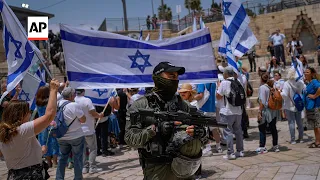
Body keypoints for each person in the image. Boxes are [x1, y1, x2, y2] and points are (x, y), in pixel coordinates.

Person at [125, 62, 207, 180]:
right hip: (157, 170)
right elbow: (129, 138)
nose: (175, 80)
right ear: (158, 78)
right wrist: (155, 130)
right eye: (171, 76)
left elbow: (203, 134)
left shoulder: (184, 105)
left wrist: (201, 133)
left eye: (177, 77)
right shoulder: (141, 105)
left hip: (185, 168)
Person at [0, 79, 59, 179]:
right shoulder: (21, 130)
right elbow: (49, 116)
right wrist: (53, 90)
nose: (30, 114)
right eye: (28, 112)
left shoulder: (5, 132)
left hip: (14, 175)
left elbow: (20, 154)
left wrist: (39, 151)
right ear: (21, 115)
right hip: (30, 175)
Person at [56, 87, 86, 180]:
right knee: (77, 158)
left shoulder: (57, 104)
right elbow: (83, 120)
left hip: (61, 136)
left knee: (62, 158)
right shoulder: (74, 105)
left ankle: (59, 178)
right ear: (71, 95)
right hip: (76, 136)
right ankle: (77, 178)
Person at [216, 66, 244, 160]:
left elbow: (218, 96)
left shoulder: (224, 83)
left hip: (227, 111)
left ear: (226, 74)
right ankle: (240, 151)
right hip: (238, 111)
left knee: (228, 132)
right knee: (238, 131)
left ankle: (230, 153)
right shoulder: (238, 82)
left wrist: (219, 86)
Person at [74, 89, 104, 174]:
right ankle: (92, 167)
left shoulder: (73, 100)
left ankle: (84, 167)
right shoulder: (87, 100)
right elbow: (92, 112)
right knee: (93, 148)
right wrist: (99, 115)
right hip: (88, 129)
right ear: (83, 91)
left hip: (78, 130)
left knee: (83, 150)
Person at [256, 73, 281, 154]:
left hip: (265, 111)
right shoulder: (271, 87)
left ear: (261, 79)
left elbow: (262, 102)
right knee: (273, 128)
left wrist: (259, 112)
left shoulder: (262, 88)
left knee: (262, 128)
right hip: (273, 111)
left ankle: (262, 147)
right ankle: (275, 146)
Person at [36, 86, 60, 168]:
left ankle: (48, 161)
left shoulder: (37, 102)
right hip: (50, 123)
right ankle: (55, 162)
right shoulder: (50, 102)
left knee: (44, 142)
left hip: (41, 125)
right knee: (54, 143)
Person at [281, 68, 305, 144]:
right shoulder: (300, 82)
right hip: (298, 104)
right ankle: (301, 138)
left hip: (289, 105)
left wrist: (280, 92)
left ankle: (293, 139)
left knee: (291, 123)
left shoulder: (286, 83)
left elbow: (284, 95)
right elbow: (304, 89)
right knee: (299, 122)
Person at [304, 67, 320, 148]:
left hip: (315, 106)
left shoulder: (314, 81)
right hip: (310, 107)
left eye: (307, 72)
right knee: (314, 125)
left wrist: (314, 96)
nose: (305, 73)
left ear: (312, 74)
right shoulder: (308, 83)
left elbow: (319, 89)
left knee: (317, 125)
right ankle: (317, 141)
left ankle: (318, 142)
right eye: (305, 72)